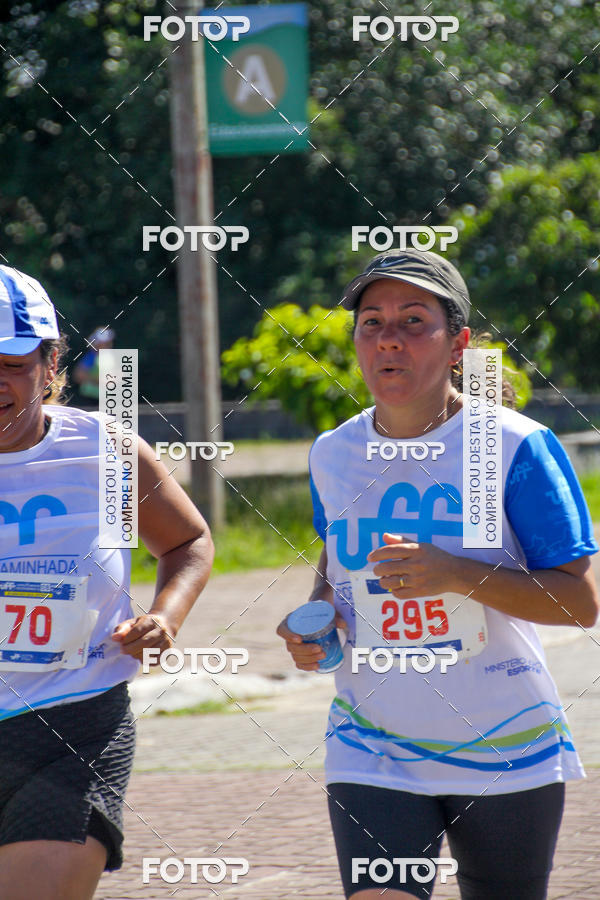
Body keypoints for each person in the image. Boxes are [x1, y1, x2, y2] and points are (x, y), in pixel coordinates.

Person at [277, 249, 599, 900]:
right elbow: (337, 562)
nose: (389, 338)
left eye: (414, 320)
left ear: (459, 344)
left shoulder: (513, 446)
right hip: (372, 741)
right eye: (372, 322)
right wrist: (317, 616)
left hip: (507, 743)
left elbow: (580, 603)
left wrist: (456, 574)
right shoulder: (333, 453)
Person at [0, 265, 214, 900]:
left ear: (50, 361)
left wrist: (166, 615)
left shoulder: (105, 451)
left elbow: (187, 541)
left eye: (10, 361)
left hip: (75, 722)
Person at [73, 326, 115, 403]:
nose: (108, 345)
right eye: (104, 343)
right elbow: (78, 375)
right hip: (90, 399)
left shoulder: (108, 357)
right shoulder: (91, 357)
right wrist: (99, 380)